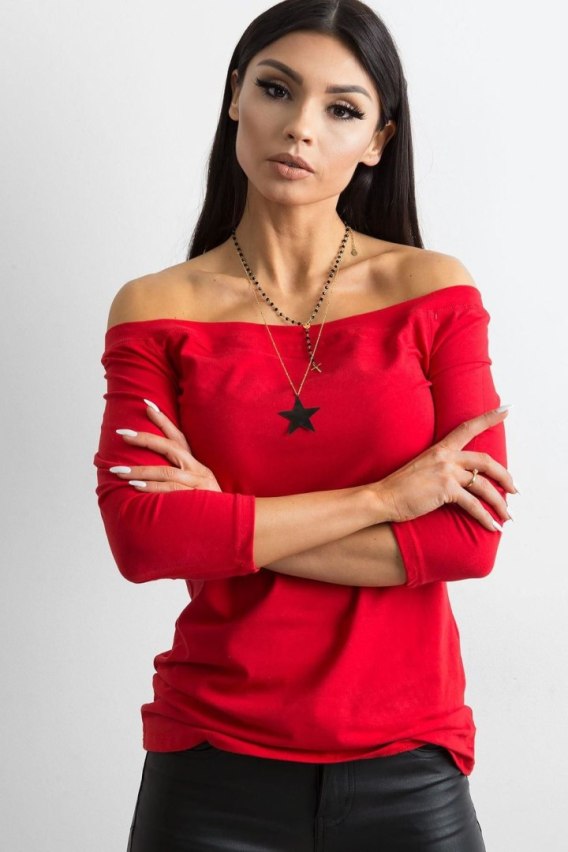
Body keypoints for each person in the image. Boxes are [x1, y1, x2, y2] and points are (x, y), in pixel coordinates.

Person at [93, 1, 517, 849]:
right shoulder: (156, 308)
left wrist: (223, 517)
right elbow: (145, 539)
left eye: (342, 108)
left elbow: (468, 541)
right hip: (211, 764)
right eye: (276, 89)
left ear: (378, 141)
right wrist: (387, 500)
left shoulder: (433, 292)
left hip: (410, 759)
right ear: (235, 97)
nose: (300, 127)